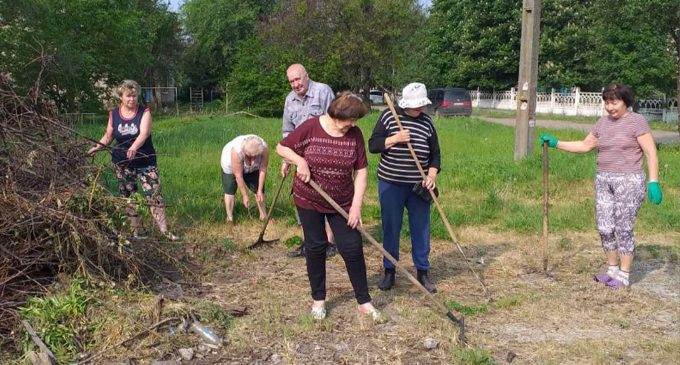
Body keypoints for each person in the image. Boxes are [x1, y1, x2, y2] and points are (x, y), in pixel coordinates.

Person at [540, 83, 662, 289]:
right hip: (604, 179)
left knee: (623, 227)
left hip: (629, 180)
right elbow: (585, 145)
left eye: (614, 102)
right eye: (606, 102)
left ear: (626, 101)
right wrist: (556, 143)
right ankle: (612, 269)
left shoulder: (636, 121)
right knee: (605, 227)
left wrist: (653, 181)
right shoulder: (602, 123)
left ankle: (624, 274)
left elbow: (651, 153)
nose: (610, 107)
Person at [276, 92, 385, 322]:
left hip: (342, 201)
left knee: (352, 247)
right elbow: (282, 148)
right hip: (309, 199)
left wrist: (356, 207)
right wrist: (300, 161)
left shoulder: (354, 135)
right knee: (315, 247)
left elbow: (362, 171)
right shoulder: (311, 127)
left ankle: (364, 302)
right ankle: (319, 300)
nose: (353, 125)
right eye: (350, 119)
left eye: (356, 120)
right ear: (336, 115)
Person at [368, 82, 441, 293]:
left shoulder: (427, 123)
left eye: (422, 106)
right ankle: (389, 271)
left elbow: (435, 154)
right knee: (391, 227)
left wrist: (431, 175)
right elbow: (373, 145)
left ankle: (423, 272)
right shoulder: (389, 116)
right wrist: (395, 139)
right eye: (416, 106)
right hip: (391, 184)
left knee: (421, 228)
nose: (420, 110)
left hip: (419, 186)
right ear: (406, 103)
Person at [88, 79, 177, 240]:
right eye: (128, 96)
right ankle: (136, 232)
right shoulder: (114, 114)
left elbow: (144, 133)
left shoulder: (145, 112)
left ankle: (164, 232)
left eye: (134, 96)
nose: (132, 99)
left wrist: (134, 147)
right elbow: (108, 135)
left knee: (154, 195)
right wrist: (97, 147)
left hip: (145, 162)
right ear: (121, 96)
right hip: (122, 163)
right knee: (129, 197)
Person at [282, 63, 337, 258]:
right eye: (291, 82)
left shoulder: (323, 91)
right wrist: (287, 159)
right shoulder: (290, 100)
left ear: (306, 76)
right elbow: (288, 131)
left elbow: (335, 121)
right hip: (300, 157)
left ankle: (330, 242)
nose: (296, 84)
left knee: (326, 197)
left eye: (298, 79)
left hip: (324, 155)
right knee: (303, 198)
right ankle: (310, 242)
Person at [220, 135, 269, 222]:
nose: (253, 160)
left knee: (258, 189)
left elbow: (263, 168)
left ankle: (264, 216)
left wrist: (260, 190)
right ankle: (230, 218)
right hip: (231, 166)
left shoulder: (264, 148)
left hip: (254, 167)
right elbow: (238, 176)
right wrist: (245, 195)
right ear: (245, 152)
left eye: (256, 156)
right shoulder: (236, 151)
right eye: (250, 156)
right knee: (230, 189)